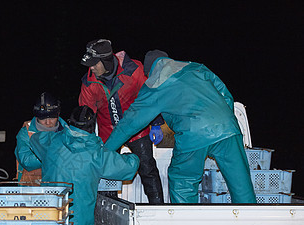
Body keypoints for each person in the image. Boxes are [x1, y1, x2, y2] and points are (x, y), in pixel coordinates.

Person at [105, 50, 256, 204]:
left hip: (193, 134)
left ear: (149, 71)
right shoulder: (196, 68)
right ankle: (253, 223)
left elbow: (128, 125)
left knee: (182, 182)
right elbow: (225, 95)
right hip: (228, 128)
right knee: (241, 183)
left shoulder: (155, 86)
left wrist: (104, 151)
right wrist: (221, 123)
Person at [29, 105, 140, 225]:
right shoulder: (96, 153)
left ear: (69, 123)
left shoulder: (51, 142)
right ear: (91, 127)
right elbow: (129, 169)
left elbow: (35, 138)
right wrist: (131, 155)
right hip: (79, 223)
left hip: (49, 218)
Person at [78, 38, 164, 204]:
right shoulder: (89, 82)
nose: (92, 68)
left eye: (95, 63)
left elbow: (152, 97)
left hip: (136, 130)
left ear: (106, 61)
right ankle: (107, 208)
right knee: (106, 171)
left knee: (148, 168)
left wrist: (156, 124)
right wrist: (86, 141)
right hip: (108, 133)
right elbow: (85, 115)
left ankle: (157, 207)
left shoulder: (134, 70)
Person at [14, 92, 67, 183]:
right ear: (37, 116)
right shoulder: (25, 132)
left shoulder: (67, 131)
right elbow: (26, 161)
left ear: (58, 115)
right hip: (31, 188)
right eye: (43, 118)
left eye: (52, 118)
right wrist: (54, 155)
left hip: (59, 184)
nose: (48, 122)